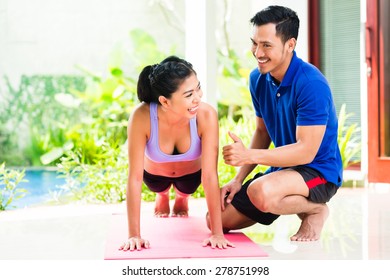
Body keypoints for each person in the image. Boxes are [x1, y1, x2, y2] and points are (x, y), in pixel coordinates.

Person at [208, 5, 343, 242]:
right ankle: (277, 196)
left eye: (266, 45)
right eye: (255, 43)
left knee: (261, 192)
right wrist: (238, 179)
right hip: (284, 169)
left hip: (318, 171)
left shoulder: (311, 84)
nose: (258, 52)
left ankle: (314, 209)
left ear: (290, 44)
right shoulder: (257, 79)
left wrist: (249, 155)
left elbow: (305, 151)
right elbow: (262, 131)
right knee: (216, 220)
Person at [119, 56, 234, 251]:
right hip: (154, 177)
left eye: (198, 88)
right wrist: (134, 235)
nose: (198, 98)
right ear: (165, 101)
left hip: (190, 178)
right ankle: (162, 195)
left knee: (185, 191)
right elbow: (135, 178)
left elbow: (209, 176)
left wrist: (217, 233)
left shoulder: (206, 115)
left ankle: (181, 198)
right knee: (159, 189)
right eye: (189, 94)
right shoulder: (142, 116)